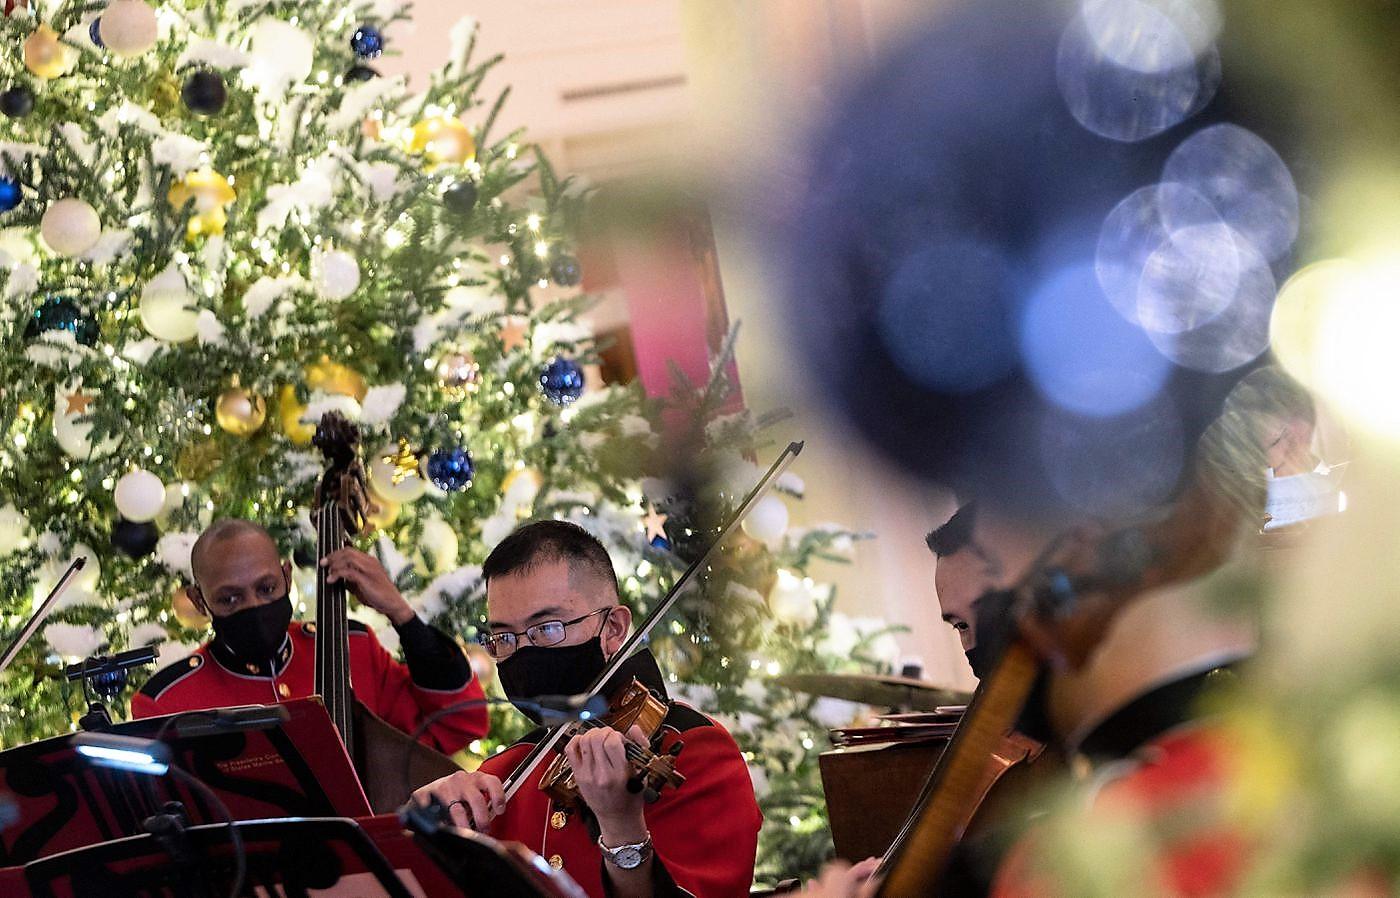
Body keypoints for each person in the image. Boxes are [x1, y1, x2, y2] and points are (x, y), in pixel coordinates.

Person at [411, 520, 761, 898]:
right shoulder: (504, 775)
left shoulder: (694, 750)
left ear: (613, 628)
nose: (524, 653)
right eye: (504, 637)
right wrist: (423, 835)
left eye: (546, 628)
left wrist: (622, 827)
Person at [132, 518, 488, 753]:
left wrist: (401, 613)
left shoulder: (352, 648)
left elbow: (461, 723)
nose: (253, 606)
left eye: (267, 588)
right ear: (198, 600)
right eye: (229, 598)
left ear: (287, 576)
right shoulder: (166, 703)